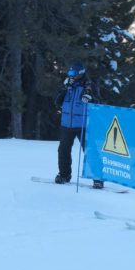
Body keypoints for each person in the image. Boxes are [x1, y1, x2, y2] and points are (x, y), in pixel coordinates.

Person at [53, 60, 104, 189]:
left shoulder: (89, 85)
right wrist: (64, 88)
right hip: (66, 124)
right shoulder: (68, 85)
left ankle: (97, 178)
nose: (71, 75)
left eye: (73, 73)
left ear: (80, 73)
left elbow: (99, 103)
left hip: (83, 125)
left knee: (90, 151)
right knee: (63, 150)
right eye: (70, 72)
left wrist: (91, 98)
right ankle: (64, 175)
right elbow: (57, 101)